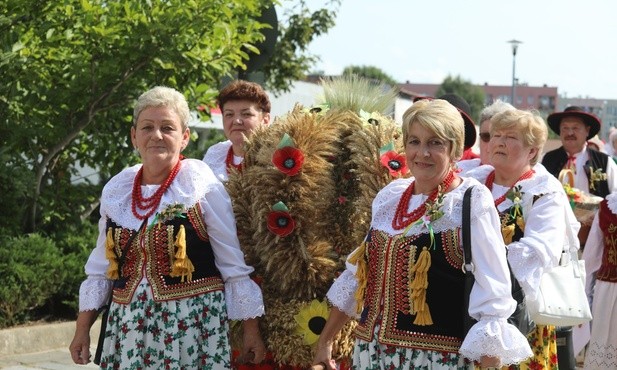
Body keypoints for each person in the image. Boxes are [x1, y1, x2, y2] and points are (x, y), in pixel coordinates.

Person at [312, 99, 532, 369]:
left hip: (435, 359)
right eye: (414, 141)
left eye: (435, 143)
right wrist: (326, 340)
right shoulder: (390, 197)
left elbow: (493, 292)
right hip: (372, 354)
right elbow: (359, 275)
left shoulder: (469, 201)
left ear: (456, 151)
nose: (422, 153)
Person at [69, 86, 266, 368]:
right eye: (147, 127)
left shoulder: (200, 185)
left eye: (167, 128)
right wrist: (82, 329)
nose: (156, 136)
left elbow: (232, 265)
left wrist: (251, 332)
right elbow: (101, 267)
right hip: (128, 330)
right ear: (134, 136)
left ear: (184, 137)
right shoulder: (118, 189)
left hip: (192, 328)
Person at [466, 109, 581, 369]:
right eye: (496, 135)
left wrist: (483, 269)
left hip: (517, 315)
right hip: (467, 302)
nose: (499, 142)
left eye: (510, 137)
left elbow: (537, 252)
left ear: (532, 151)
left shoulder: (543, 191)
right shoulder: (474, 180)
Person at [541, 106, 617, 199]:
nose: (569, 133)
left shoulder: (605, 162)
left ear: (587, 131)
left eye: (575, 128)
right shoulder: (545, 160)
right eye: (565, 128)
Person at [203, 80, 271, 181]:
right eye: (229, 114)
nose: (237, 121)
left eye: (246, 114)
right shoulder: (214, 156)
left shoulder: (276, 158)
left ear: (265, 120)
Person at [582, 192, 617, 369]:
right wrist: (583, 295)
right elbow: (590, 258)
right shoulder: (608, 206)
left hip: (608, 288)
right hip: (609, 290)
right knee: (604, 341)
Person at [458, 99, 515, 175]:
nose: (493, 144)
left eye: (504, 137)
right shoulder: (459, 172)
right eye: (486, 137)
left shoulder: (532, 182)